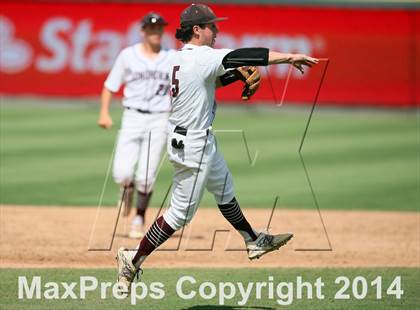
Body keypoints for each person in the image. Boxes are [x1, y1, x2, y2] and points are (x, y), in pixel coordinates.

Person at [116, 4, 318, 293]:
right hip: (192, 145)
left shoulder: (179, 57)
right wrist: (289, 57)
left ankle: (252, 239)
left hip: (198, 139)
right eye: (212, 25)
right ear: (197, 30)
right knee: (179, 215)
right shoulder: (203, 56)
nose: (217, 30)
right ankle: (132, 260)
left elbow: (206, 83)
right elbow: (249, 55)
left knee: (224, 189)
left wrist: (235, 76)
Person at [98, 12, 173, 239]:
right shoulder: (128, 56)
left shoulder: (172, 57)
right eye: (151, 28)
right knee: (122, 173)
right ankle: (127, 189)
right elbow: (110, 85)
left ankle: (139, 217)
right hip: (132, 116)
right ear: (142, 31)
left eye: (159, 28)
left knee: (147, 176)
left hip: (160, 118)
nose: (156, 32)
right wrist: (104, 113)